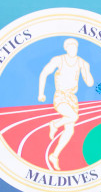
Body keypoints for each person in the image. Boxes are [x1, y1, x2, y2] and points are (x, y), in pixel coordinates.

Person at [37, 38, 92, 170]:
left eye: (75, 47)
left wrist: (86, 69)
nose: (73, 49)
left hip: (72, 99)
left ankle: (54, 156)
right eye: (70, 47)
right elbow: (43, 74)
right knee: (73, 117)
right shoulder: (58, 60)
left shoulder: (82, 62)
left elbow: (90, 83)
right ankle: (54, 124)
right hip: (60, 96)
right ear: (66, 48)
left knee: (70, 130)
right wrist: (41, 93)